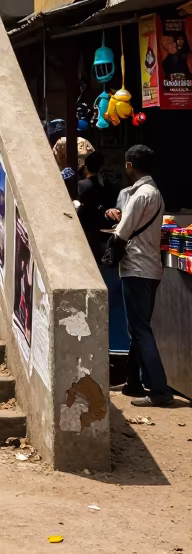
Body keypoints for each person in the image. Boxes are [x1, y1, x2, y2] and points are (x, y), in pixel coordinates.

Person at [104, 145, 173, 408]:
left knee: (141, 330)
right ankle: (133, 382)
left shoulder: (140, 194)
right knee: (138, 327)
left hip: (136, 269)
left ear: (131, 165)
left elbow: (122, 233)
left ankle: (159, 391)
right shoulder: (155, 193)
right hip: (151, 268)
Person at [76, 150, 109, 261]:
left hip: (84, 235)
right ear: (102, 168)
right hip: (101, 237)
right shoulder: (108, 188)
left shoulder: (81, 186)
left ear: (85, 167)